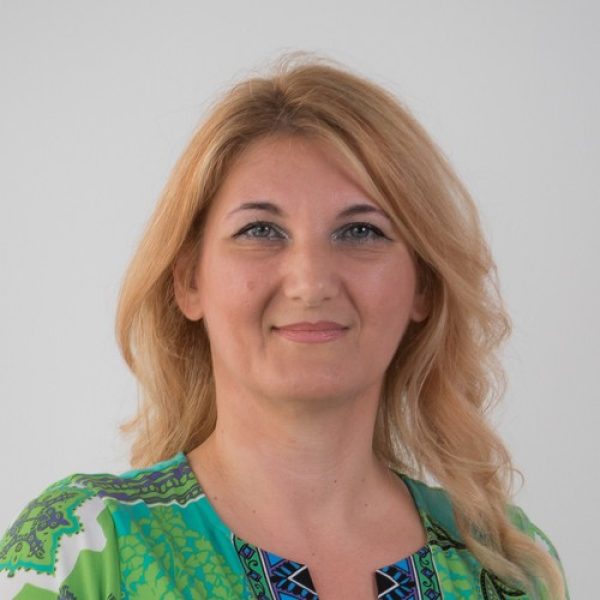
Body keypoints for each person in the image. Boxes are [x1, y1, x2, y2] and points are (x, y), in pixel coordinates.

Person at [0, 54, 569, 600]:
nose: (311, 282)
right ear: (189, 280)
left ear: (423, 284)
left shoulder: (511, 566)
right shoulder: (84, 550)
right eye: (261, 231)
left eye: (361, 232)